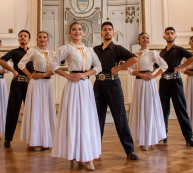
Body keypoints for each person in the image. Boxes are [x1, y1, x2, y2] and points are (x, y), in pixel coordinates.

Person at [50, 22, 102, 171]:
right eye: (74, 29)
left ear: (83, 32)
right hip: (73, 87)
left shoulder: (90, 50)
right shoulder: (66, 48)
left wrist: (85, 74)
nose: (77, 31)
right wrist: (67, 75)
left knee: (86, 119)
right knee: (74, 119)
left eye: (80, 29)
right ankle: (78, 154)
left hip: (86, 87)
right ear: (69, 33)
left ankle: (87, 157)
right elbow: (52, 64)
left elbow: (98, 67)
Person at [93, 21, 138, 160]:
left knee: (120, 118)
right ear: (101, 33)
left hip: (113, 85)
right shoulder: (94, 50)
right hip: (98, 86)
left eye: (110, 29)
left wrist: (118, 68)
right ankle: (94, 149)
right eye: (105, 29)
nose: (107, 31)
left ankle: (129, 150)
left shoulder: (117, 48)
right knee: (97, 119)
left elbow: (133, 59)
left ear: (113, 33)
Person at [128, 33, 167, 151]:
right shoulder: (134, 55)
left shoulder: (152, 53)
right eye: (143, 38)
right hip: (139, 84)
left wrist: (153, 76)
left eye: (148, 38)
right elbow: (130, 69)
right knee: (140, 109)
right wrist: (140, 74)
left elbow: (164, 66)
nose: (146, 40)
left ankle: (151, 138)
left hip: (149, 84)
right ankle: (142, 140)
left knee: (149, 109)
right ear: (139, 40)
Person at [18, 31, 56, 151]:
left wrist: (45, 74)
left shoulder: (53, 54)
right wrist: (30, 75)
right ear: (36, 39)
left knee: (46, 109)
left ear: (48, 40)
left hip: (47, 83)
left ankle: (46, 140)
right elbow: (20, 64)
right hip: (36, 84)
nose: (42, 39)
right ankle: (34, 140)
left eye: (45, 37)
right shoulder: (33, 51)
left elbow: (56, 69)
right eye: (40, 37)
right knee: (36, 110)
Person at [155, 27, 193, 145]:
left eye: (172, 33)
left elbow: (191, 57)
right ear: (164, 37)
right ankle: (163, 135)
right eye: (168, 33)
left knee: (180, 109)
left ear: (175, 36)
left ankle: (189, 137)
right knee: (163, 110)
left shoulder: (180, 50)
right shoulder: (162, 52)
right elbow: (156, 66)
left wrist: (180, 68)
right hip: (164, 82)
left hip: (176, 82)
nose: (170, 35)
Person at [0, 30, 34, 147]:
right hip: (17, 84)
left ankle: (33, 139)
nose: (23, 38)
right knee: (13, 110)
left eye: (25, 36)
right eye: (21, 36)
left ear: (29, 39)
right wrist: (13, 70)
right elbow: (1, 60)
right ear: (18, 39)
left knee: (32, 111)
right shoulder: (14, 52)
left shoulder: (33, 52)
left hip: (30, 85)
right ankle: (8, 139)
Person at [181, 36, 193, 129]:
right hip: (190, 79)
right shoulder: (186, 55)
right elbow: (183, 69)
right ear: (189, 43)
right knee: (190, 100)